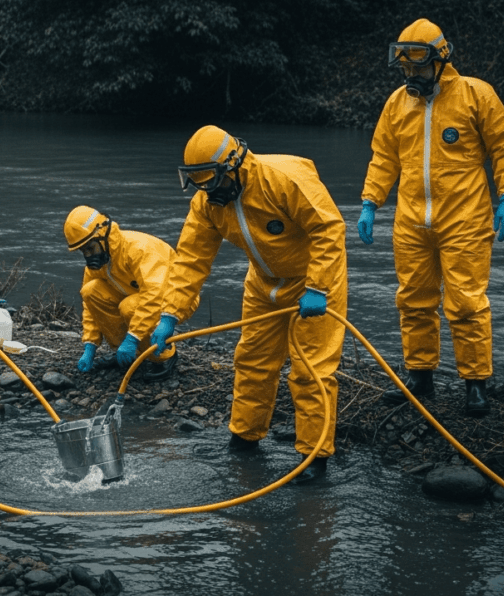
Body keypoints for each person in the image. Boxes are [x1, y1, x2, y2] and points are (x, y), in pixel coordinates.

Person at [152, 126, 348, 484]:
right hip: (263, 283)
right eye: (201, 185)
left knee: (311, 371)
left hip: (313, 282)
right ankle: (245, 437)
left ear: (233, 168)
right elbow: (191, 259)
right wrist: (170, 314)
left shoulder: (285, 180)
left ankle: (314, 457)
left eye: (212, 183)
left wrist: (318, 287)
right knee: (252, 359)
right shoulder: (209, 203)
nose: (208, 192)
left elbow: (328, 229)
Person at [356, 18, 504, 417]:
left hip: (465, 218)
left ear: (441, 59)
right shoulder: (398, 103)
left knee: (466, 303)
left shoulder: (474, 95)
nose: (411, 74)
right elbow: (384, 157)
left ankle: (475, 384)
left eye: (418, 66)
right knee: (414, 300)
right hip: (412, 220)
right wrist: (369, 202)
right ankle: (420, 376)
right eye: (406, 68)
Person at [64, 206, 191, 381]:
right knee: (91, 291)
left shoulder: (139, 249)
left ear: (103, 235)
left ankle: (162, 356)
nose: (88, 255)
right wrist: (90, 345)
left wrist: (132, 338)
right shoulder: (102, 261)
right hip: (137, 295)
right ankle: (124, 355)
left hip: (175, 299)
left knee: (129, 307)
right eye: (83, 251)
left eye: (90, 248)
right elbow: (90, 305)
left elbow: (154, 294)